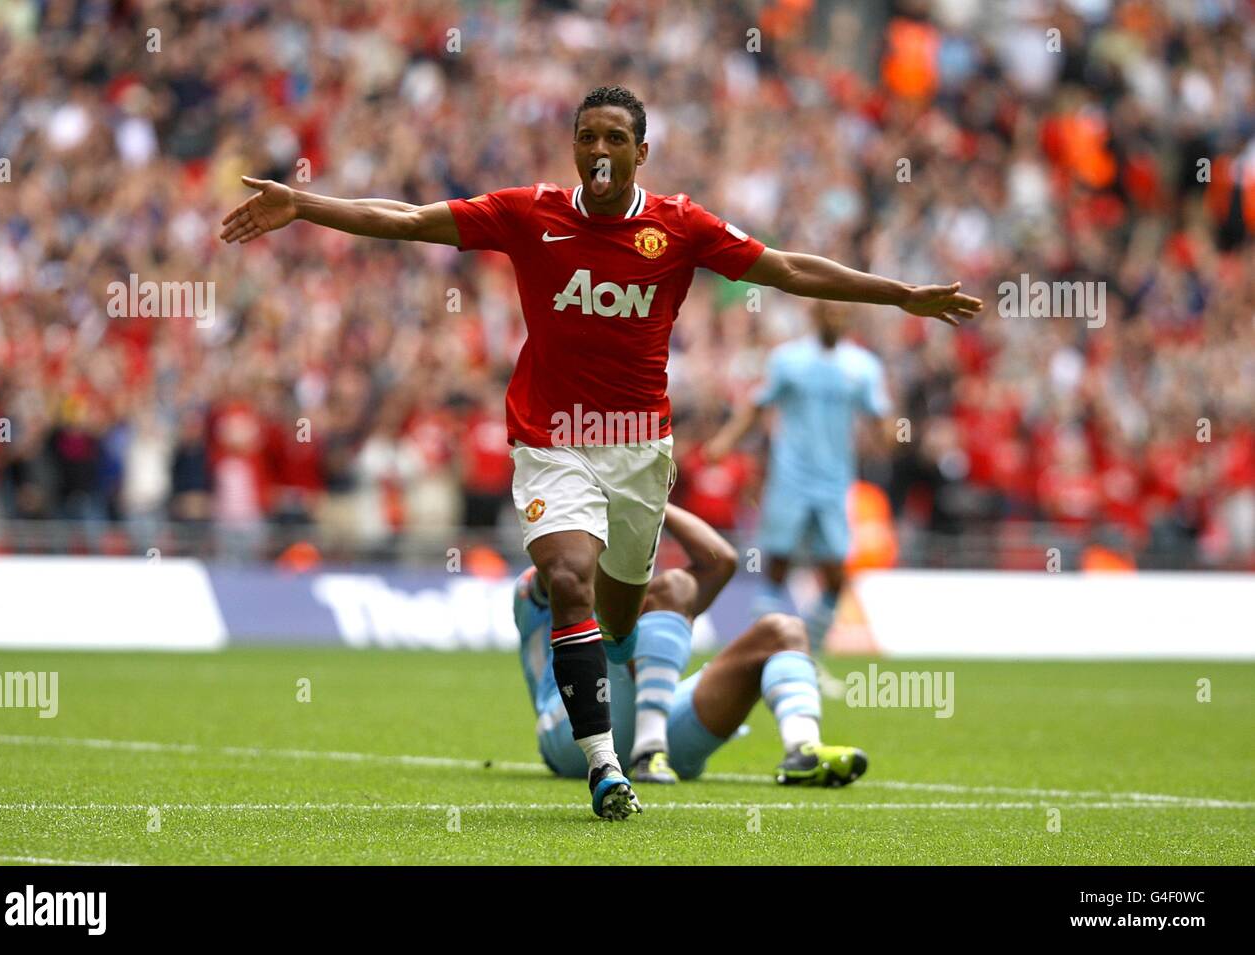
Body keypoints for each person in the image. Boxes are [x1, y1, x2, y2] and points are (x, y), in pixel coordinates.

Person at [221, 85, 978, 819]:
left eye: (616, 137)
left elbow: (785, 269)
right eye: (589, 136)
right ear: (575, 149)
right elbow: (410, 219)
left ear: (642, 151)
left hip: (639, 453)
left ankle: (643, 718)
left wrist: (899, 293)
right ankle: (605, 766)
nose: (601, 148)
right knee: (566, 578)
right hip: (551, 443)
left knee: (619, 620)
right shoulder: (530, 213)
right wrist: (304, 202)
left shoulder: (681, 226)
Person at [514, 503, 868, 791]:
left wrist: (643, 496)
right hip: (573, 732)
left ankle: (802, 750)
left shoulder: (640, 588)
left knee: (783, 630)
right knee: (674, 586)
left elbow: (721, 560)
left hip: (665, 731)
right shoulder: (542, 581)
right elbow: (560, 573)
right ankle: (649, 750)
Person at [706, 302, 894, 693]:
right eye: (828, 312)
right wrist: (725, 441)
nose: (834, 319)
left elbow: (880, 418)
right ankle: (759, 662)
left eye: (841, 314)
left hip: (834, 483)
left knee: (836, 576)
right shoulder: (789, 360)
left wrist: (894, 435)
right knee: (778, 567)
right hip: (790, 479)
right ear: (814, 316)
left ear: (848, 318)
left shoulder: (861, 366)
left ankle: (807, 659)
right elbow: (758, 406)